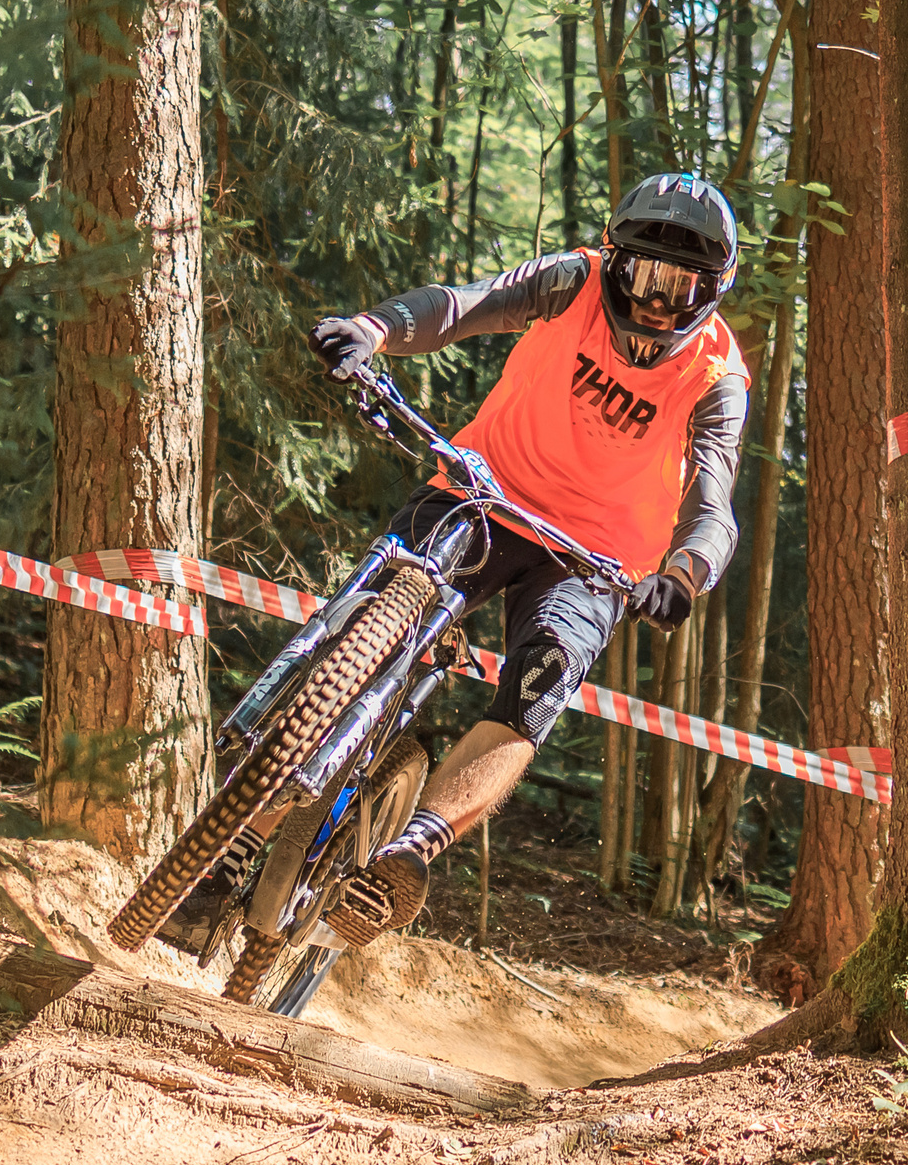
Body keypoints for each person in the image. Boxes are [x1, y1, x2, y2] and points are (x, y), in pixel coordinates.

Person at [304, 171, 750, 944]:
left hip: (594, 559)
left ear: (711, 291)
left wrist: (685, 572)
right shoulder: (570, 279)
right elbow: (461, 305)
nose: (653, 302)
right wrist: (373, 329)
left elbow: (714, 504)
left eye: (678, 287)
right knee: (370, 601)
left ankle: (411, 849)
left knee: (537, 684)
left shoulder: (717, 376)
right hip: (486, 488)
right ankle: (274, 771)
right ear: (613, 258)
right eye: (643, 273)